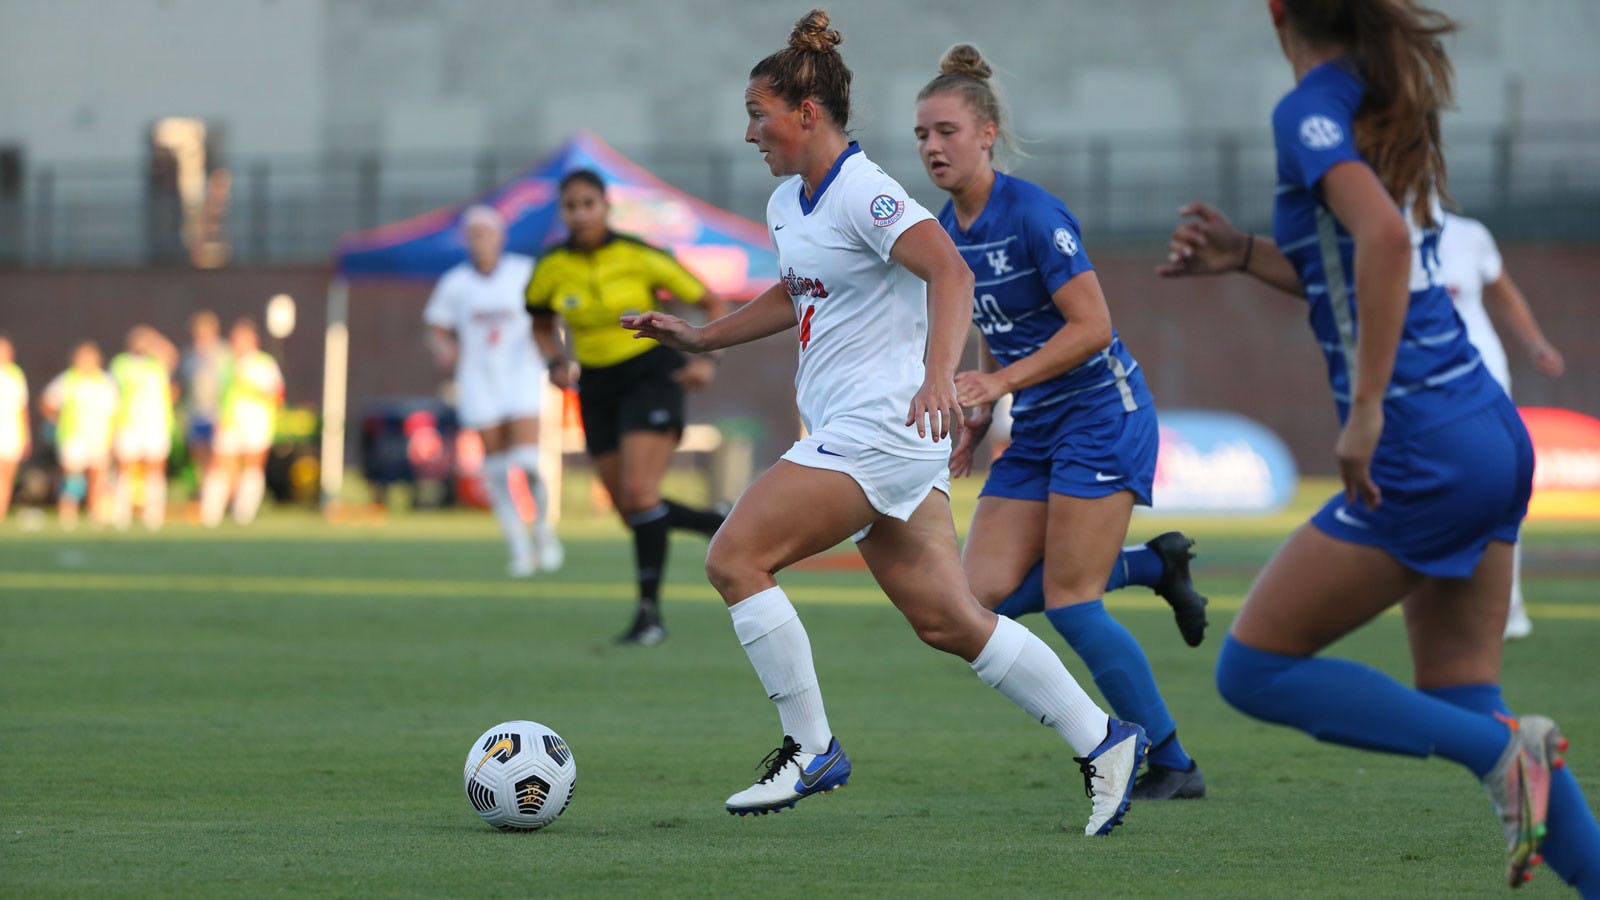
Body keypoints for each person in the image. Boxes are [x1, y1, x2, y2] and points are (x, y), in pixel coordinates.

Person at [624, 9, 1147, 836]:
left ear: (806, 113)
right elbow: (794, 289)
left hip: (881, 429)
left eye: (759, 113)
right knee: (950, 619)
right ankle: (1105, 739)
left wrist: (941, 376)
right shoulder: (787, 204)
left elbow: (948, 272)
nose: (749, 130)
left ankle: (811, 747)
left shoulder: (866, 191)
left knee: (736, 557)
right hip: (872, 435)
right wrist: (702, 335)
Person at [1157, 0, 1600, 890]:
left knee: (1253, 670)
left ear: (1278, 14)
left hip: (1419, 443)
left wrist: (1363, 413)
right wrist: (1246, 252)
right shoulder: (1380, 93)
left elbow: (1388, 241)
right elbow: (1358, 261)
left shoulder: (1308, 106)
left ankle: (1510, 754)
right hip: (1486, 427)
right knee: (1461, 694)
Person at [916, 44, 1206, 801]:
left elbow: (1094, 327)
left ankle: (1172, 762)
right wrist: (982, 413)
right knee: (975, 603)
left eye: (946, 130)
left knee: (1075, 605)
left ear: (987, 133)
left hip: (1103, 415)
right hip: (1037, 423)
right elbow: (989, 321)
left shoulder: (1035, 213)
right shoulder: (946, 230)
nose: (931, 148)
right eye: (921, 135)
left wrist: (998, 382)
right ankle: (1151, 566)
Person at [525, 170, 730, 645]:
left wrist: (708, 359)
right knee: (630, 509)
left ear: (605, 207)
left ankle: (648, 617)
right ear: (563, 212)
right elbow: (539, 322)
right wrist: (556, 361)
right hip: (595, 386)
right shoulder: (552, 266)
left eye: (588, 203)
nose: (580, 213)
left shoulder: (638, 255)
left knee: (641, 496)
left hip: (649, 375)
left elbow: (712, 302)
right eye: (571, 206)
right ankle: (711, 521)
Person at [1437, 210, 1566, 640]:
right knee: (1439, 490)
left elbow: (1506, 294)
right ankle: (1446, 600)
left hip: (1484, 377)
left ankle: (1508, 603)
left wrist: (1537, 344)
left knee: (1498, 485)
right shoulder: (1383, 231)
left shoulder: (1469, 235)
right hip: (1425, 385)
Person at [426, 205, 562, 577]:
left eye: (486, 234)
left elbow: (548, 316)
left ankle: (544, 533)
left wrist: (555, 354)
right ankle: (519, 548)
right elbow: (436, 328)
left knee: (529, 463)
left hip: (521, 374)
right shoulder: (456, 283)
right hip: (478, 380)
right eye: (473, 235)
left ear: (500, 237)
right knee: (498, 469)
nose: (480, 242)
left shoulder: (523, 273)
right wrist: (444, 349)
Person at [200, 318, 283, 527]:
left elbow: (277, 395)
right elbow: (223, 395)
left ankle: (244, 512)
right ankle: (211, 513)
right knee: (221, 466)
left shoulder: (264, 363)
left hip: (256, 423)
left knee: (253, 466)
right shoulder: (228, 364)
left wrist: (251, 389)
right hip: (231, 423)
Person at [40, 342, 118, 529]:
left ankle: (95, 514)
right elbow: (47, 403)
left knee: (97, 477)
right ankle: (68, 514)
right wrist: (57, 419)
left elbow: (114, 413)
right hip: (73, 436)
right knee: (72, 477)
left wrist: (112, 438)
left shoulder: (105, 382)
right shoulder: (67, 380)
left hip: (99, 437)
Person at [109, 325, 177, 530]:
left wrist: (152, 338)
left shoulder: (157, 364)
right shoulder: (120, 364)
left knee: (155, 469)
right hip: (129, 423)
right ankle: (122, 513)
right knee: (125, 469)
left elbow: (171, 354)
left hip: (156, 424)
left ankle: (153, 514)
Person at [178, 310, 228, 478]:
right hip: (195, 412)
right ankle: (206, 493)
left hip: (216, 411)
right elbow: (183, 383)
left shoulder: (223, 354)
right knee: (200, 458)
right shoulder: (190, 355)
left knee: (219, 458)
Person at [0, 336, 28, 521]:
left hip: (10, 432)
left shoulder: (15, 374)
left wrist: (25, 435)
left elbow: (21, 408)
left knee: (6, 476)